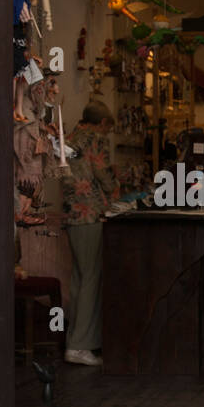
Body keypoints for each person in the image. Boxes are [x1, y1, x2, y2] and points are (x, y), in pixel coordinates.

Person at [62, 100, 120, 366]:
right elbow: (103, 174)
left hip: (71, 213)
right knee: (91, 279)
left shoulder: (69, 138)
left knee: (78, 279)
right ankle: (81, 346)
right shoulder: (95, 140)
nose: (107, 133)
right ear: (102, 123)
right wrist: (115, 184)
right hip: (91, 212)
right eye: (108, 128)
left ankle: (74, 338)